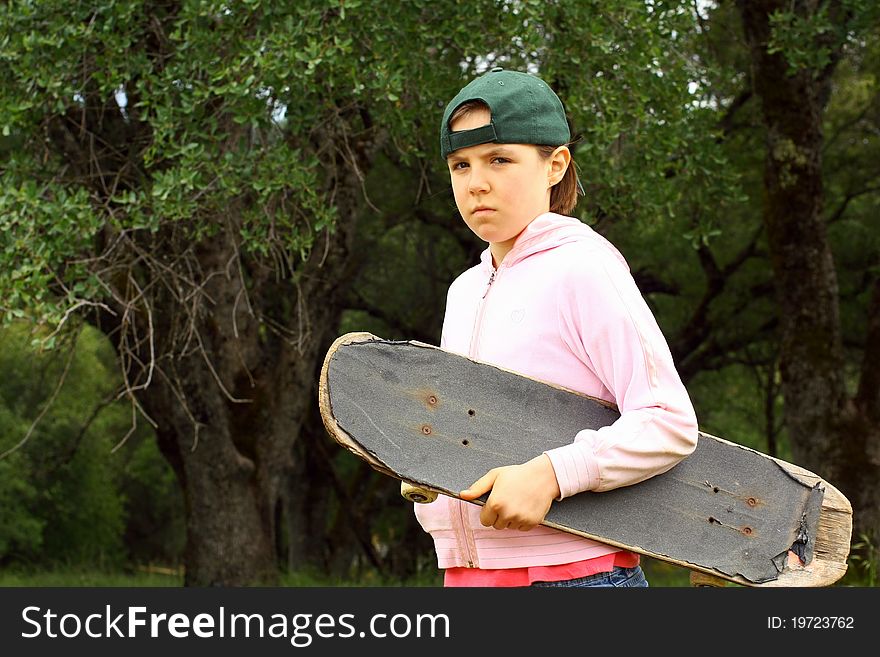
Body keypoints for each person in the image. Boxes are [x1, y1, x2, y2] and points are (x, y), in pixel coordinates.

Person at [413, 67, 699, 587]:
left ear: (555, 165)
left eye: (500, 159)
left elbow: (667, 421)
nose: (477, 182)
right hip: (469, 575)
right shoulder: (463, 292)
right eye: (460, 165)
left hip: (576, 579)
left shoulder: (583, 269)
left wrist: (550, 474)